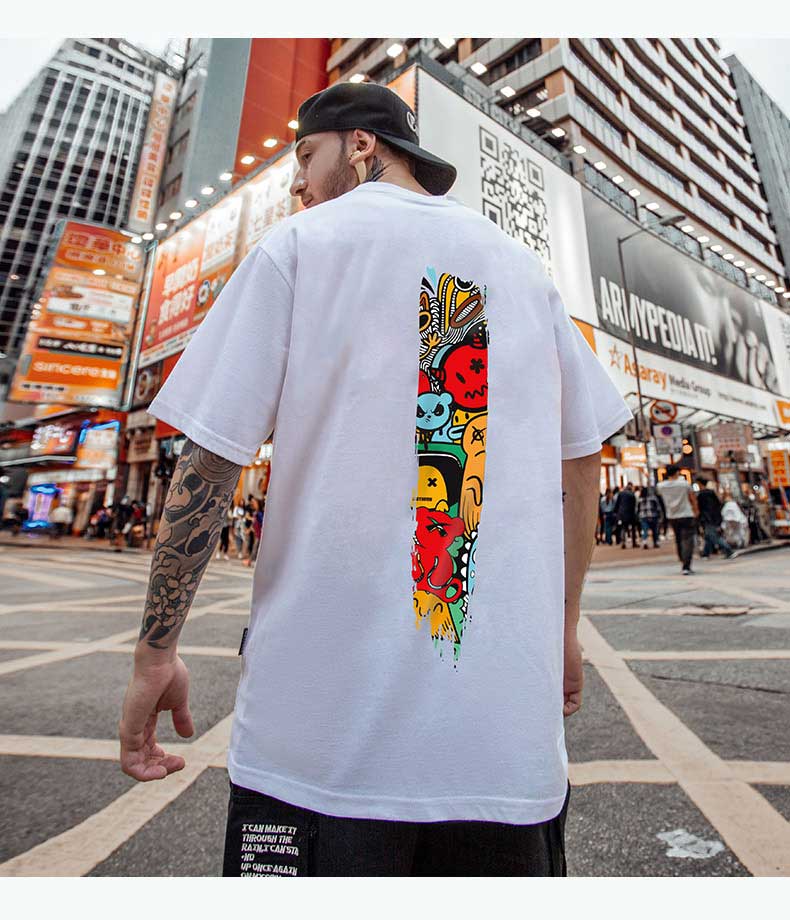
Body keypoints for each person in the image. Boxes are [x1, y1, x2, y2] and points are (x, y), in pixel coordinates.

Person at [119, 80, 632, 877]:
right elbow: (581, 452)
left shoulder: (300, 247)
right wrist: (563, 628)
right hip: (502, 758)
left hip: (316, 753)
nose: (297, 184)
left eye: (305, 157)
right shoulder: (519, 270)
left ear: (361, 144)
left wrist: (156, 654)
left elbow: (211, 460)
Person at [657, 465, 699, 574]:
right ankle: (686, 565)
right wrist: (696, 511)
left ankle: (682, 559)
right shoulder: (684, 484)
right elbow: (692, 498)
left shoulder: (661, 486)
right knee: (687, 539)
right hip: (686, 514)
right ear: (676, 473)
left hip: (672, 515)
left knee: (678, 539)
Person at [695, 478, 735, 560]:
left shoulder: (701, 495)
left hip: (707, 518)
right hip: (715, 517)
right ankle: (705, 554)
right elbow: (718, 504)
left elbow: (700, 508)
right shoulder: (711, 493)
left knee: (713, 536)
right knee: (708, 536)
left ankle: (729, 550)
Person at [614, 482, 638, 549]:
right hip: (631, 513)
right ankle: (634, 543)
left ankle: (623, 542)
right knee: (633, 529)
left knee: (623, 528)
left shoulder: (621, 493)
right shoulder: (632, 494)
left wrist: (616, 512)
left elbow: (617, 504)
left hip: (622, 514)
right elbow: (634, 505)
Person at [637, 485, 661, 549]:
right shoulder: (653, 498)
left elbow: (637, 509)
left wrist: (638, 516)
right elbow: (658, 507)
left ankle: (645, 542)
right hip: (653, 515)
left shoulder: (640, 499)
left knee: (645, 530)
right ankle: (656, 542)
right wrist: (659, 515)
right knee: (654, 530)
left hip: (643, 516)